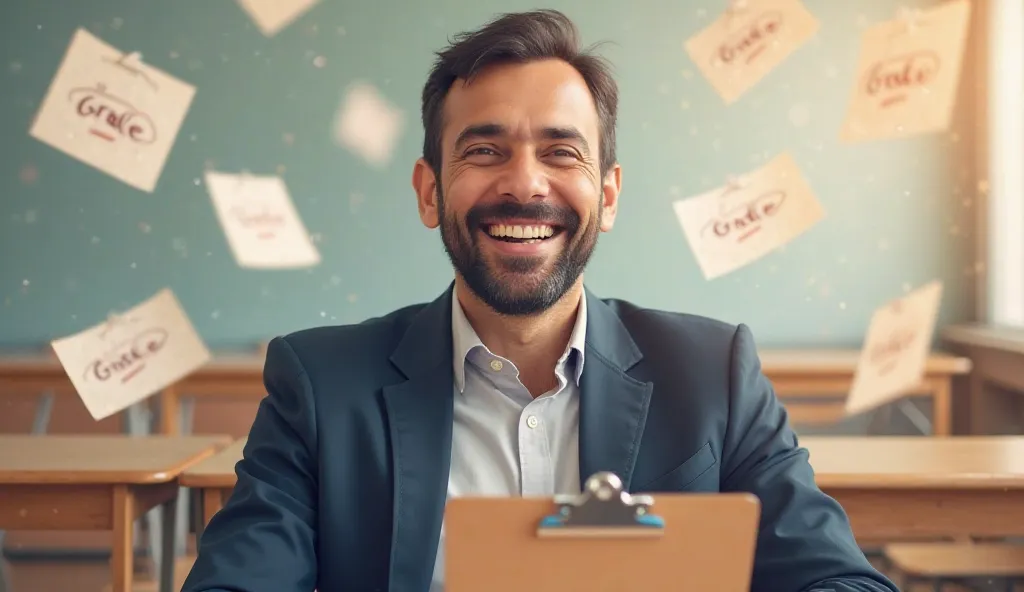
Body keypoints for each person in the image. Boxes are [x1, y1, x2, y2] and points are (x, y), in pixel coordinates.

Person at [182, 9, 899, 592]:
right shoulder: (321, 385)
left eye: (561, 152)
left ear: (608, 195)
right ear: (430, 191)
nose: (525, 185)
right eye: (484, 151)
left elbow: (839, 582)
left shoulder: (715, 374)